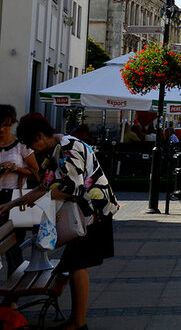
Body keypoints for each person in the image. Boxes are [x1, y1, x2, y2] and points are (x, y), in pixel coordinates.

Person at [1, 113, 119, 330]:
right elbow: (44, 186)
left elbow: (71, 188)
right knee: (75, 264)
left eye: (31, 144)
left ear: (40, 135)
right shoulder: (54, 150)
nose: (32, 149)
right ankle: (77, 321)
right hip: (85, 214)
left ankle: (78, 322)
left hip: (94, 213)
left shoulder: (68, 149)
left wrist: (40, 201)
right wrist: (12, 204)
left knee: (76, 264)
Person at [0, 105, 39, 272]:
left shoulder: (21, 146)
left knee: (13, 248)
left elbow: (36, 173)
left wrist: (15, 168)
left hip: (15, 198)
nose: (2, 129)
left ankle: (13, 294)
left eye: (6, 125)